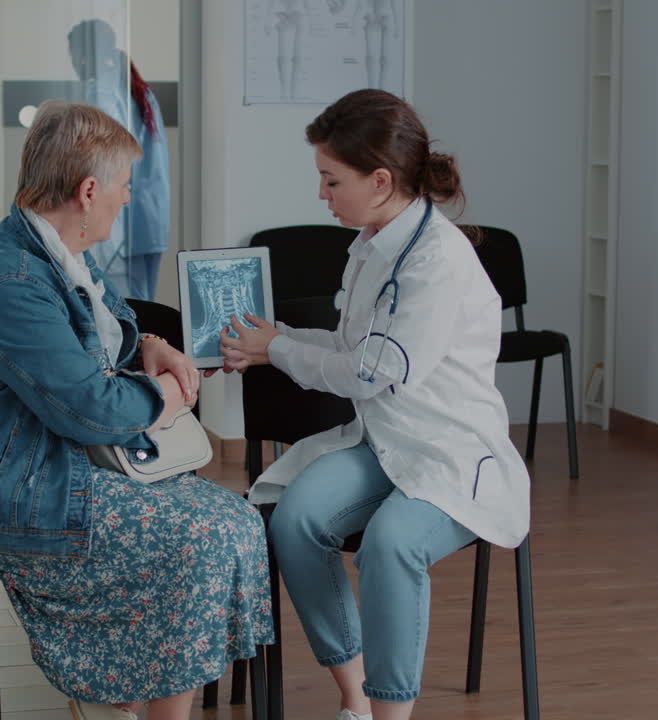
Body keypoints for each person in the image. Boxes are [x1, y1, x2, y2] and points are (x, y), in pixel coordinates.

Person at [0, 101, 272, 720]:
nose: (128, 199)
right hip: (14, 487)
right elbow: (88, 409)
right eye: (124, 187)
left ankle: (130, 703)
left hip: (64, 464)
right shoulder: (11, 281)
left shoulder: (62, 252)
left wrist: (151, 344)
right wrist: (168, 396)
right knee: (204, 537)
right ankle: (126, 700)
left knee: (238, 524)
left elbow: (108, 325)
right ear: (89, 191)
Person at [221, 89, 531, 720]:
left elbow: (372, 371)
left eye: (331, 181)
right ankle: (355, 696)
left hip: (450, 455)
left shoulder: (438, 259)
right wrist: (269, 340)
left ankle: (391, 715)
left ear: (381, 180)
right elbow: (347, 344)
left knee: (390, 543)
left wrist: (278, 347)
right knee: (296, 520)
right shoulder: (373, 243)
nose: (322, 195)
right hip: (386, 443)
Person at [67, 18, 170, 302]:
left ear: (86, 54)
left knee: (121, 310)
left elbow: (103, 161)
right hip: (149, 218)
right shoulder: (138, 89)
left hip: (122, 224)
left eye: (73, 55)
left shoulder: (101, 91)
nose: (73, 64)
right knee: (142, 304)